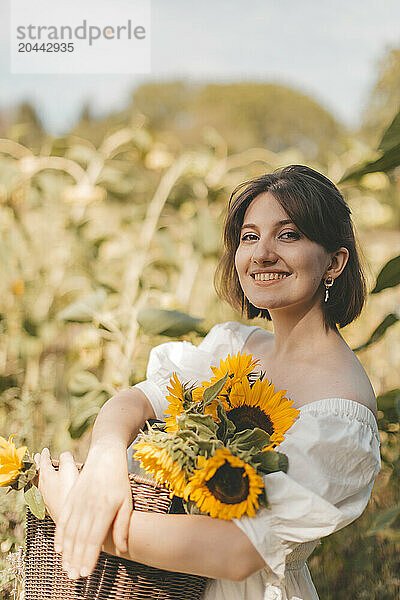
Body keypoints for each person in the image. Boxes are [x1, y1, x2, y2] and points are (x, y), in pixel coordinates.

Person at [36, 164, 381, 600]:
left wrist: (78, 518)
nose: (262, 254)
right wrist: (105, 462)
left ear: (335, 261)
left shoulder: (342, 412)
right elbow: (134, 402)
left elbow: (237, 552)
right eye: (249, 237)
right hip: (160, 583)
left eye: (288, 234)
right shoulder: (235, 346)